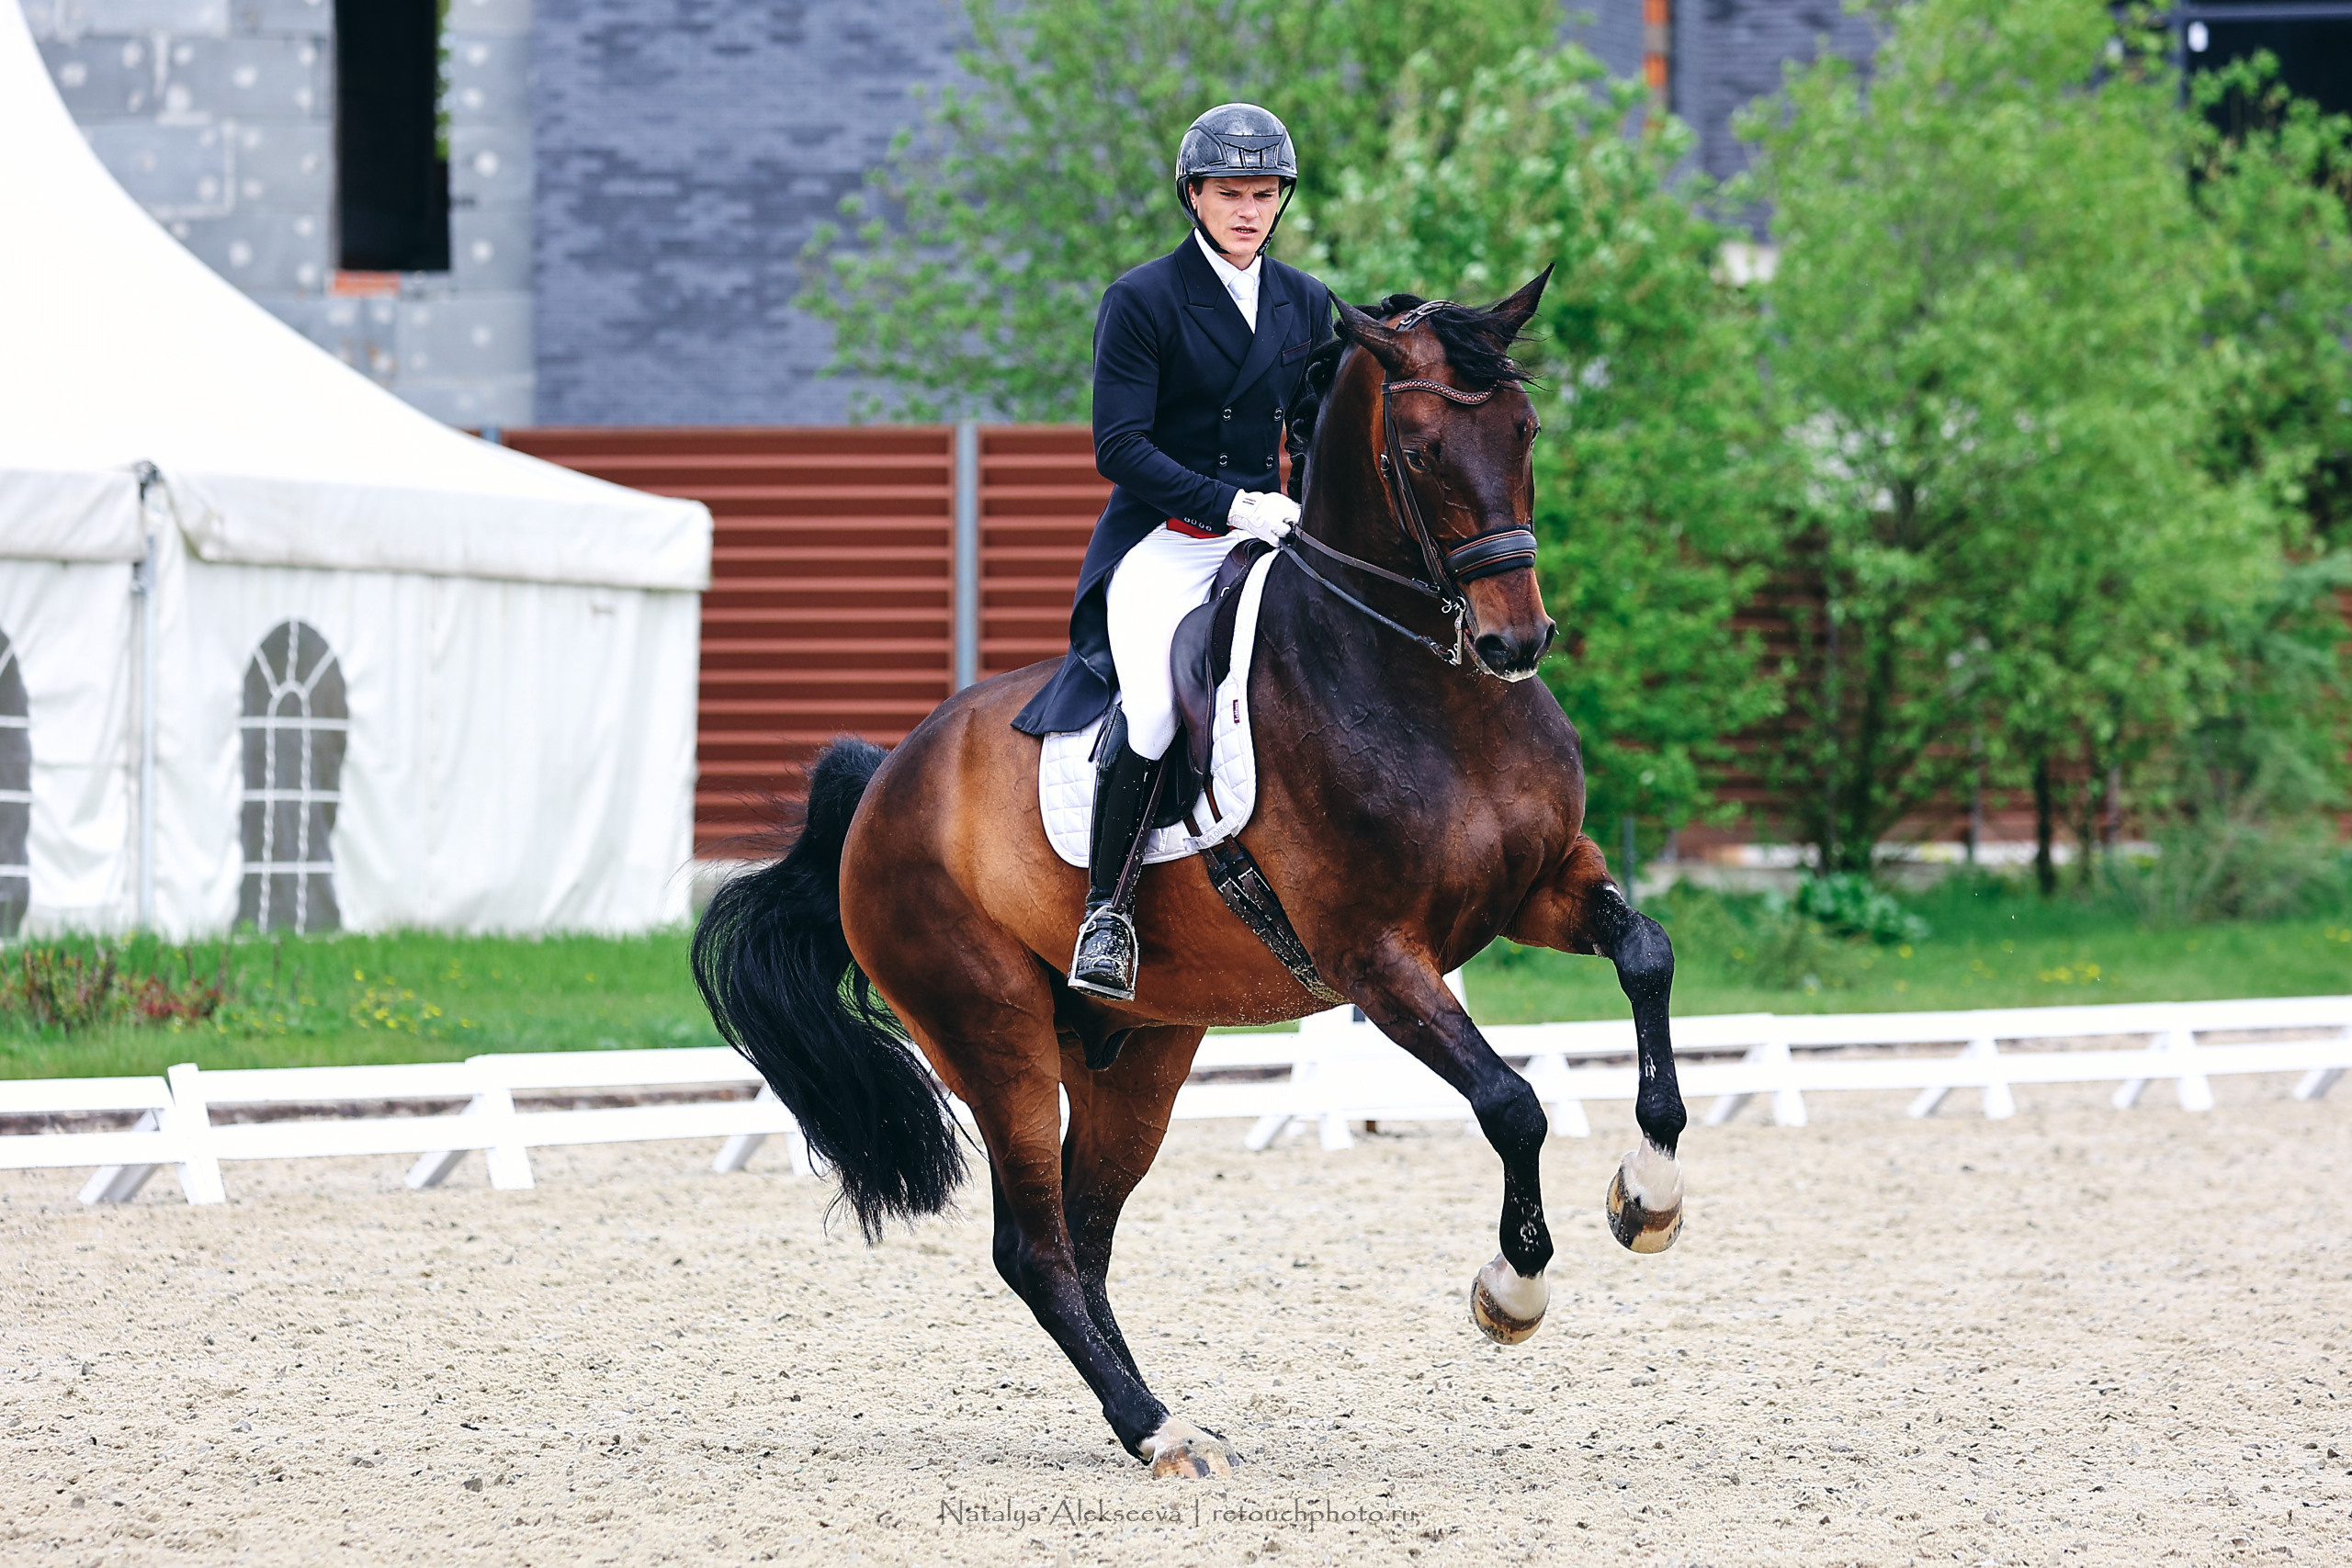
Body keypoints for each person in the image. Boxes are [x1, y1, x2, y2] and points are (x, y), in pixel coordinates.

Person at [1012, 103, 1336, 1002]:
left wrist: (1307, 510)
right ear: (1194, 196)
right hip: (1166, 541)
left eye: (1262, 194)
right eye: (1228, 193)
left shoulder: (1305, 302)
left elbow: (1316, 429)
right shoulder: (1144, 299)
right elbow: (1118, 446)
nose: (1246, 210)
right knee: (1154, 709)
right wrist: (1231, 502)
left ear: (1281, 201)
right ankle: (1105, 915)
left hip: (1269, 534)